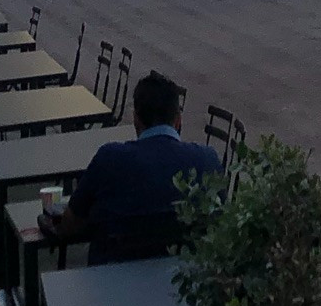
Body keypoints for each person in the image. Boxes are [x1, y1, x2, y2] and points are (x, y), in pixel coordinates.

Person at [40, 72, 222, 265]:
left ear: (136, 118)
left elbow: (71, 223)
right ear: (178, 120)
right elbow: (220, 225)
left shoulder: (109, 159)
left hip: (110, 284)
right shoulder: (207, 161)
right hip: (183, 285)